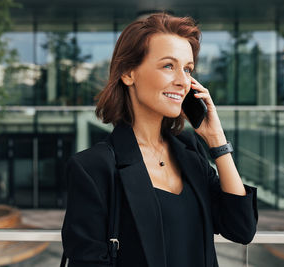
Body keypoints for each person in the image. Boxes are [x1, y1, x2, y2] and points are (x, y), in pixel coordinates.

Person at [61, 12, 258, 267]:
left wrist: (216, 141)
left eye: (188, 69)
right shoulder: (93, 168)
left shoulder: (191, 152)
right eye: (168, 66)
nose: (183, 81)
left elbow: (241, 229)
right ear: (128, 73)